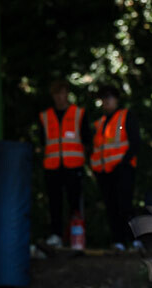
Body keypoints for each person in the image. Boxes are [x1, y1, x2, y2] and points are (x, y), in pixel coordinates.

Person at [38, 79, 92, 247]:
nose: (60, 97)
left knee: (75, 203)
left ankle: (77, 237)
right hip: (52, 166)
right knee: (55, 202)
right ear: (53, 96)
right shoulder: (45, 117)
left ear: (67, 94)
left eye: (63, 93)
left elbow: (87, 139)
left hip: (73, 165)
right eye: (57, 94)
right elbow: (42, 141)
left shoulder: (78, 113)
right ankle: (56, 236)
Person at [91, 85, 141, 251]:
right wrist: (96, 169)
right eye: (103, 98)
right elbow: (97, 148)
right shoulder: (100, 123)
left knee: (125, 205)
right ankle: (118, 241)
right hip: (105, 172)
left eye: (109, 97)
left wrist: (123, 163)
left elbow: (135, 142)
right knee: (111, 206)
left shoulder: (126, 116)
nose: (106, 101)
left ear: (116, 99)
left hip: (123, 169)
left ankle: (134, 239)